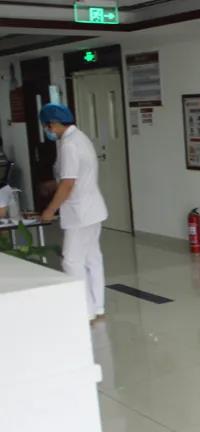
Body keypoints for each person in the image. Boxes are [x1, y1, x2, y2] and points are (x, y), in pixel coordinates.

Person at [39, 103, 108, 322]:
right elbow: (76, 175)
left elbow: (68, 183)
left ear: (52, 124)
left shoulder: (68, 145)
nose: (47, 130)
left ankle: (84, 311)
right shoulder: (80, 137)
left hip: (79, 213)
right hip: (93, 208)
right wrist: (53, 184)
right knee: (92, 258)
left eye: (46, 126)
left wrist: (50, 210)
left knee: (71, 261)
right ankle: (98, 307)